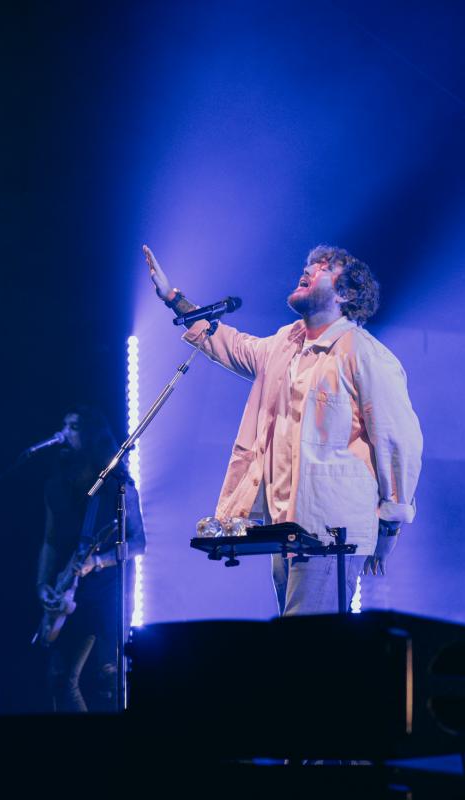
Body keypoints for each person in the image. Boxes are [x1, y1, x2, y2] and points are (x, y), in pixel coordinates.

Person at [143, 244, 422, 616]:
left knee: (304, 644)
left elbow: (398, 440)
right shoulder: (285, 344)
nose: (308, 269)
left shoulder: (363, 353)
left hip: (330, 533)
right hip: (287, 528)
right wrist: (173, 299)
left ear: (346, 294)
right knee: (299, 644)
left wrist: (390, 524)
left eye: (323, 267)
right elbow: (231, 345)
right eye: (309, 264)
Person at [36, 406, 146, 711]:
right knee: (61, 681)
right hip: (67, 592)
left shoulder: (117, 486)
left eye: (73, 427)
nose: (63, 433)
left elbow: (138, 543)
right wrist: (42, 584)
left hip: (105, 595)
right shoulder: (55, 487)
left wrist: (98, 561)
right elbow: (50, 540)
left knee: (104, 679)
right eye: (64, 425)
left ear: (92, 435)